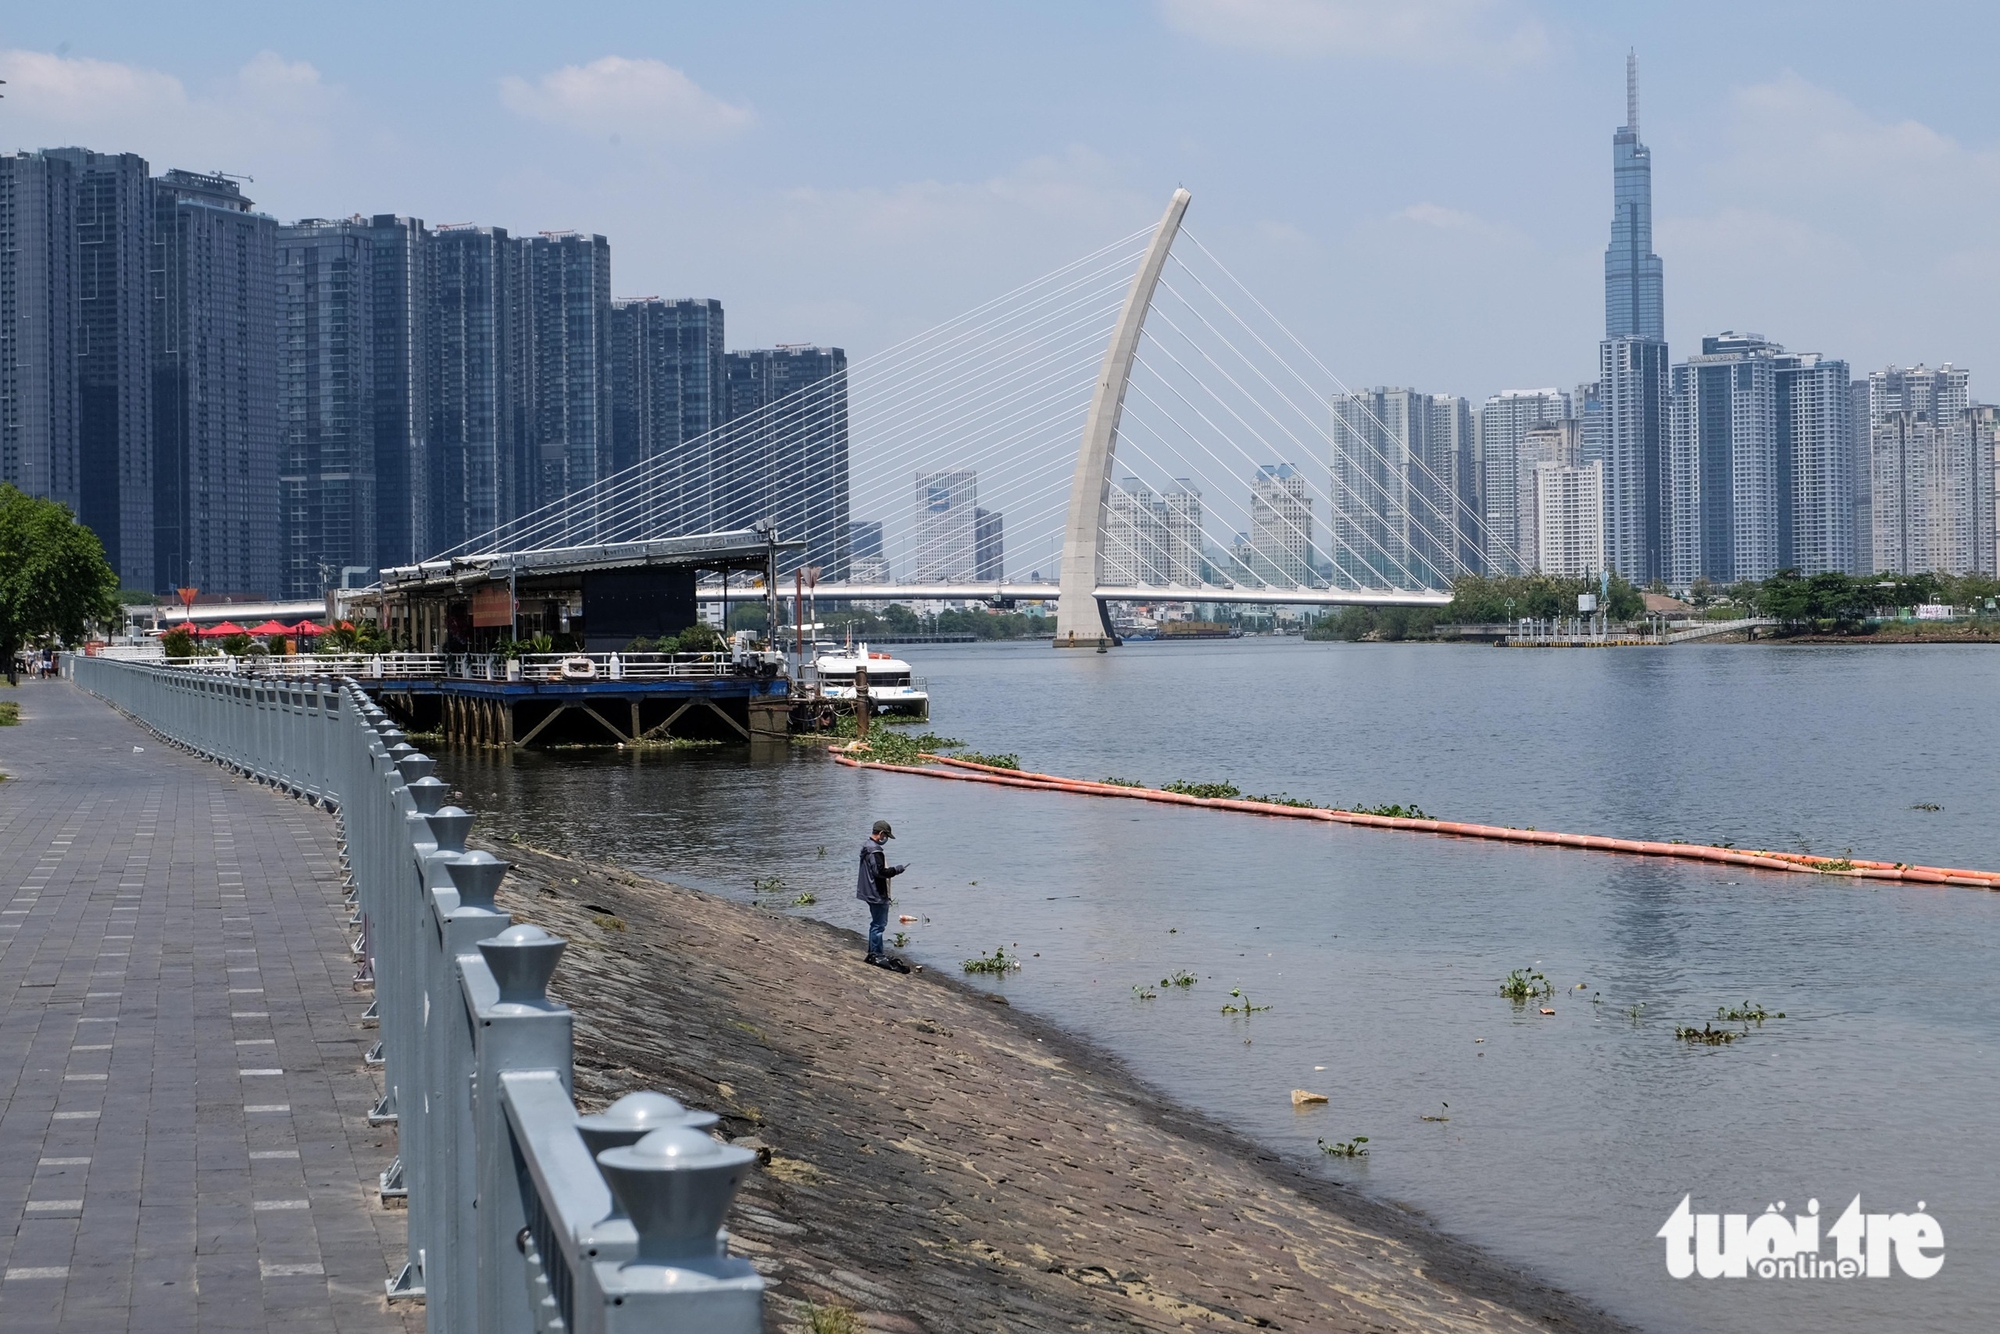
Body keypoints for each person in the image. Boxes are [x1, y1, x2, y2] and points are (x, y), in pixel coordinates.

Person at [856, 819, 908, 971]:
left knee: (875, 924)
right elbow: (879, 872)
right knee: (879, 925)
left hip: (867, 890)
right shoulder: (875, 850)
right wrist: (896, 870)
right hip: (876, 892)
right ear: (881, 833)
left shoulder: (866, 846)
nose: (886, 839)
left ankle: (873, 953)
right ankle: (877, 954)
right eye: (886, 835)